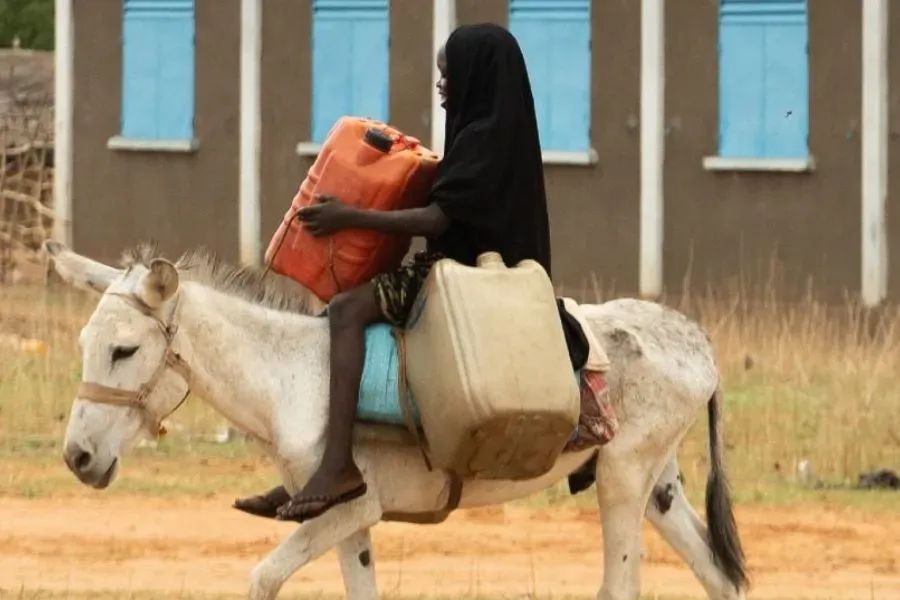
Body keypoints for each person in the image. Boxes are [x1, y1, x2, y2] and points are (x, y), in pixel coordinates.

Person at [233, 23, 611, 524]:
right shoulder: (496, 129)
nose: (440, 86)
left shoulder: (482, 139)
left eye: (447, 75)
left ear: (474, 76)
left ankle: (337, 467)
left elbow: (438, 220)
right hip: (474, 273)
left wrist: (350, 217)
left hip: (461, 279)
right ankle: (316, 469)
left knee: (345, 313)